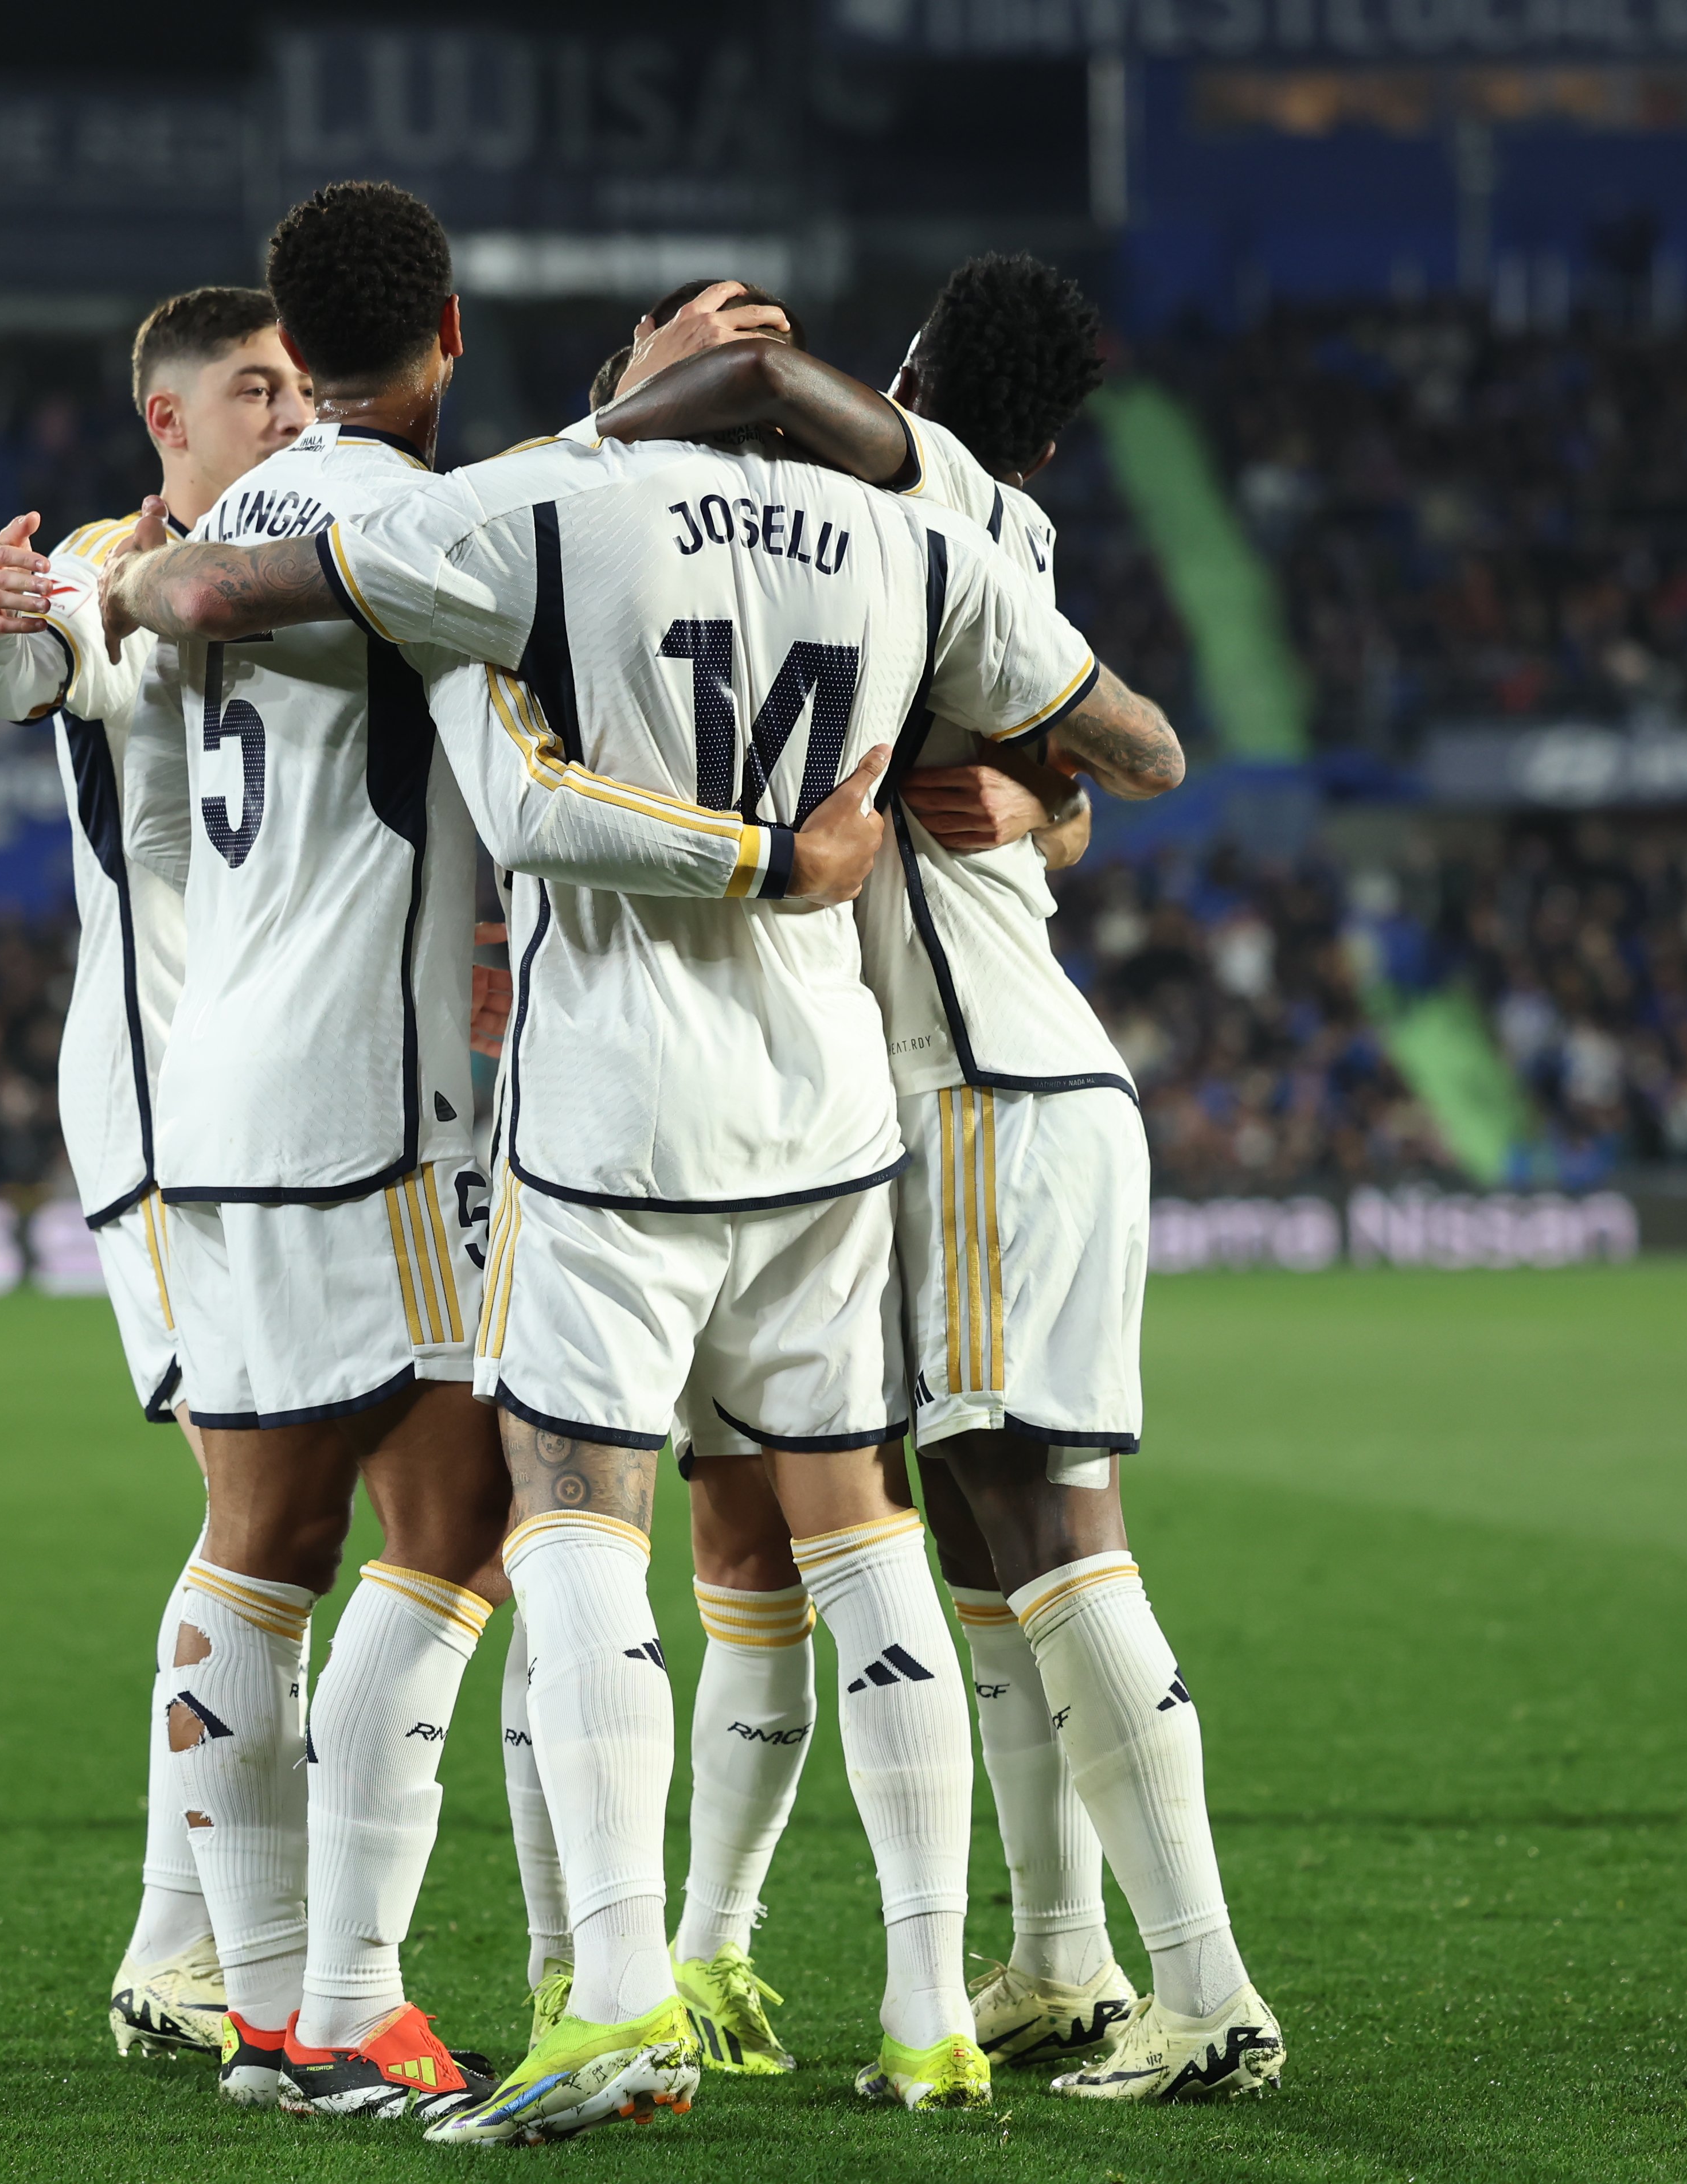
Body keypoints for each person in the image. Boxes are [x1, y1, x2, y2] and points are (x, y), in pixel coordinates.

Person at [103, 256, 1180, 2143]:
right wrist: (1046, 807)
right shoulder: (904, 525)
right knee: (858, 1539)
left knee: (553, 1520)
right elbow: (1135, 744)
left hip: (601, 1112)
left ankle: (593, 1985)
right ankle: (928, 1999)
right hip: (833, 1110)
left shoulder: (541, 505)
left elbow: (269, 636)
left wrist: (120, 577)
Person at [594, 254, 1286, 2103]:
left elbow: (796, 413)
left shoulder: (939, 494)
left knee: (1051, 1537)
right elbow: (1069, 765)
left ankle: (1206, 1989)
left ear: (909, 380)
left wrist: (672, 389)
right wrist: (1050, 794)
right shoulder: (978, 549)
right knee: (990, 1540)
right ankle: (1057, 1958)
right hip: (992, 1082)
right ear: (1059, 430)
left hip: (978, 1081)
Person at [0, 286, 311, 2069]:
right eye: (255, 389)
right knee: (260, 1518)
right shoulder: (112, 560)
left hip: (299, 1101)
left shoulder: (323, 548)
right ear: (166, 420)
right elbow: (20, 665)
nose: (287, 410)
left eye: (301, 383)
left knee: (282, 1523)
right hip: (172, 1106)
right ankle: (236, 1969)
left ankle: (186, 1955)